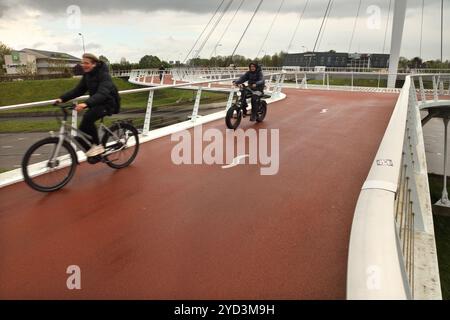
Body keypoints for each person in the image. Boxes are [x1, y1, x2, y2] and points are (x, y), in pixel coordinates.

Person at [55, 53, 120, 157]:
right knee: (82, 128)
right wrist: (62, 98)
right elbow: (78, 90)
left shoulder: (104, 75)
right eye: (82, 62)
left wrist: (86, 104)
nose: (83, 65)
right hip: (97, 103)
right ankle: (93, 150)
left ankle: (98, 147)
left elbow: (102, 93)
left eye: (86, 63)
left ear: (94, 64)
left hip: (108, 103)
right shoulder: (87, 75)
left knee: (88, 118)